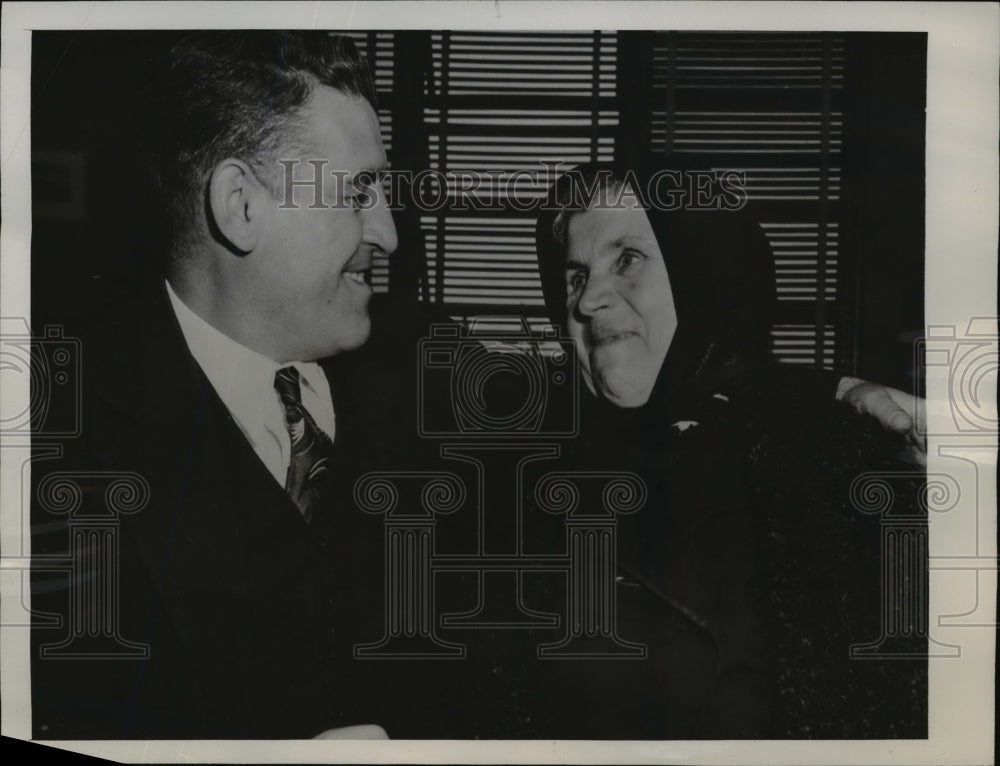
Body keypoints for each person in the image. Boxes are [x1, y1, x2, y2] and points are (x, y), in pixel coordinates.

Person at [31, 31, 399, 740]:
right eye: (359, 192)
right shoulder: (52, 442)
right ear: (240, 206)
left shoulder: (433, 372)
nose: (387, 233)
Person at [532, 162, 927, 737]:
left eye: (628, 260)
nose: (588, 299)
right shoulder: (518, 469)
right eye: (574, 276)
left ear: (707, 279)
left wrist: (824, 398)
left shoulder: (839, 473)